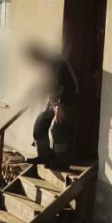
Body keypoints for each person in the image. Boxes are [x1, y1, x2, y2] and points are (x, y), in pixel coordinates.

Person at [24, 42, 78, 170]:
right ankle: (45, 155)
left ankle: (61, 162)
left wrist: (60, 104)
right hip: (53, 104)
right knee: (40, 124)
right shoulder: (45, 68)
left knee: (56, 128)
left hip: (66, 102)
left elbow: (71, 86)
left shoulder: (59, 65)